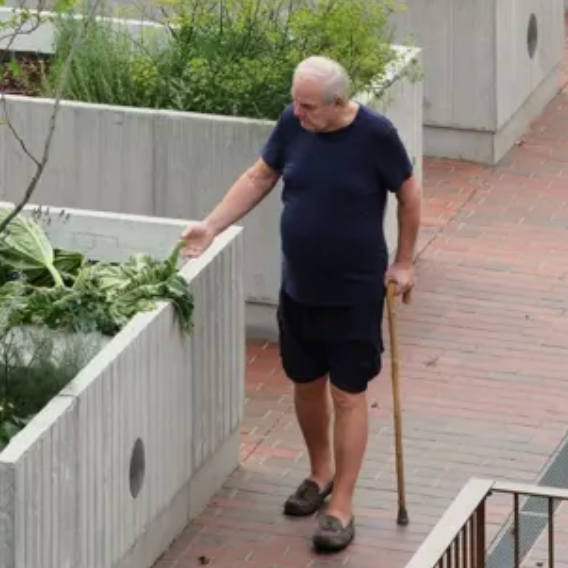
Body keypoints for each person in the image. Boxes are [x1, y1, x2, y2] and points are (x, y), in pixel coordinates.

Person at [178, 55, 420, 554]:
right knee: (306, 386)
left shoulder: (375, 135)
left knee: (348, 394)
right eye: (295, 101)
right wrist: (211, 225)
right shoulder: (294, 123)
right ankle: (320, 472)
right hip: (299, 289)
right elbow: (258, 177)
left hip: (354, 294)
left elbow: (410, 194)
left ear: (338, 102)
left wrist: (404, 262)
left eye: (307, 105)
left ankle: (342, 505)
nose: (296, 111)